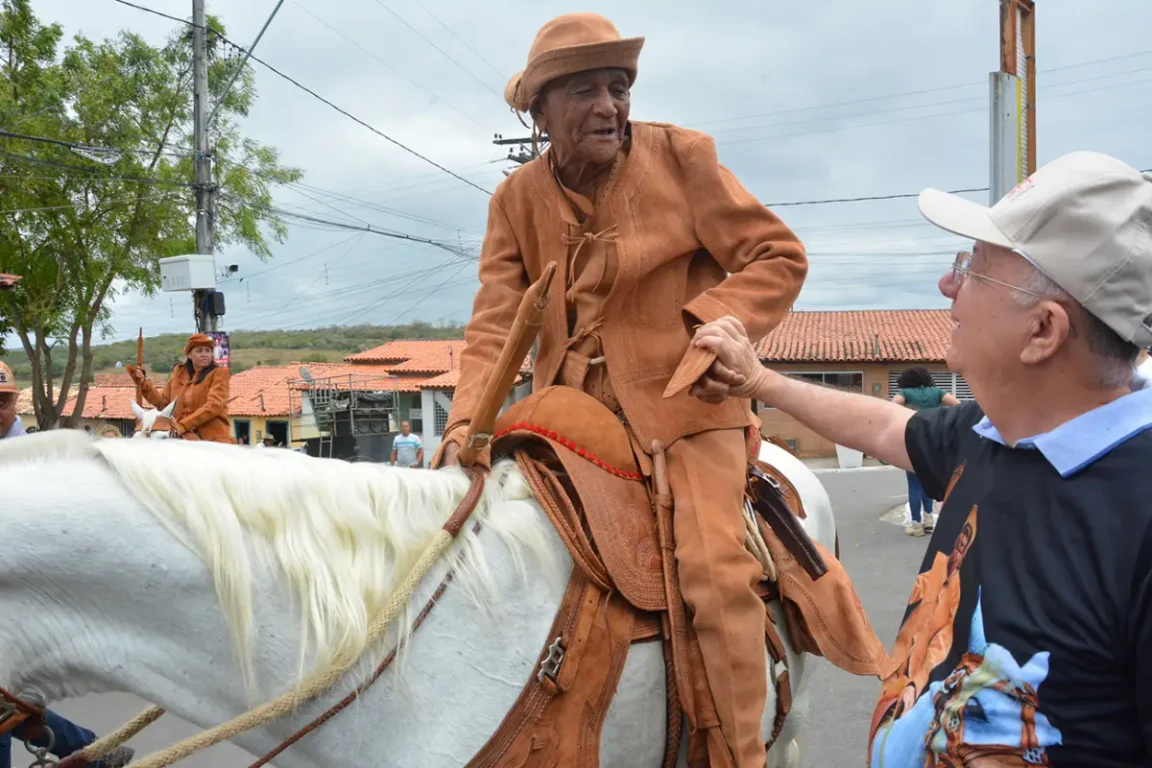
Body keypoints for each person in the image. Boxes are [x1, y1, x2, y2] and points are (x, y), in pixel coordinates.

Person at [689, 151, 1152, 765]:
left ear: (1043, 331)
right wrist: (760, 382)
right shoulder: (992, 434)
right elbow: (887, 424)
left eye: (976, 269)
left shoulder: (1139, 513)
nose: (948, 284)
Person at [431, 13, 807, 766]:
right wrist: (463, 428)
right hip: (563, 419)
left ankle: (739, 755)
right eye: (585, 90)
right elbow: (494, 326)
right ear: (540, 112)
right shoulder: (514, 200)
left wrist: (709, 328)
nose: (609, 105)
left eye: (618, 87)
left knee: (712, 572)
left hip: (688, 409)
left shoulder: (683, 157)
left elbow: (778, 254)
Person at [0, 363, 136, 767]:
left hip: (27, 594)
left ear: (15, 401)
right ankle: (94, 752)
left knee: (8, 705)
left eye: (3, 400)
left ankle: (93, 753)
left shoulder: (35, 462)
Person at [126, 333, 234, 443]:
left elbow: (214, 405)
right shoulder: (179, 373)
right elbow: (163, 403)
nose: (204, 354)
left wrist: (183, 425)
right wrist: (143, 382)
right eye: (199, 351)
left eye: (208, 350)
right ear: (189, 355)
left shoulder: (220, 373)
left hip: (211, 436)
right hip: (179, 433)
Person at [891, 366, 960, 537]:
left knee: (914, 483)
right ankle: (929, 521)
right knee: (927, 481)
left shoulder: (905, 393)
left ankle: (916, 525)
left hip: (912, 441)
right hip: (934, 442)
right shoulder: (937, 392)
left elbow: (892, 406)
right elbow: (958, 405)